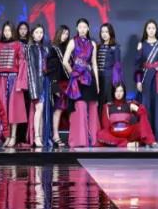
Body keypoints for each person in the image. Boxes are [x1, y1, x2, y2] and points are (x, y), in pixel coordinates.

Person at [0, 21, 29, 147]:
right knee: (3, 109)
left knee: (14, 110)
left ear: (12, 32)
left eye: (9, 30)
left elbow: (22, 64)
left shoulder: (18, 45)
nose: (7, 33)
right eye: (5, 30)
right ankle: (6, 136)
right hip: (1, 80)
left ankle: (13, 136)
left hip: (14, 79)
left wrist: (20, 82)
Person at [64, 18, 100, 148]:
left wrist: (97, 84)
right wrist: (73, 73)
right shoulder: (72, 42)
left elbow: (94, 64)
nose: (82, 29)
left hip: (90, 80)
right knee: (80, 109)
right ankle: (79, 141)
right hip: (77, 81)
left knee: (93, 109)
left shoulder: (92, 43)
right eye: (80, 27)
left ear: (88, 28)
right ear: (77, 28)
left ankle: (94, 140)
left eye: (85, 27)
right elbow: (65, 61)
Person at [135, 19, 158, 143]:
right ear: (146, 30)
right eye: (149, 28)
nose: (151, 30)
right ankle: (148, 137)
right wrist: (138, 80)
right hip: (146, 79)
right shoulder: (141, 45)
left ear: (156, 30)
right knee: (147, 108)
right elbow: (137, 65)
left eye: (153, 28)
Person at [97, 83, 157, 148]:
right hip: (114, 134)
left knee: (141, 126)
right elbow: (106, 126)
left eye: (121, 91)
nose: (118, 93)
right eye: (116, 91)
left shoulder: (129, 104)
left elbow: (142, 112)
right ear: (113, 92)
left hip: (128, 133)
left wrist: (141, 109)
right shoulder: (108, 106)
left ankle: (150, 141)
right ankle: (126, 143)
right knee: (101, 134)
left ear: (124, 92)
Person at [25, 23, 53, 149]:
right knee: (39, 109)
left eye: (41, 32)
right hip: (36, 82)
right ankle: (36, 136)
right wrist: (34, 88)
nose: (39, 35)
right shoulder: (30, 48)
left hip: (45, 81)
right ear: (32, 34)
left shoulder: (45, 49)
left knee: (42, 110)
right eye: (37, 32)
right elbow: (31, 69)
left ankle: (41, 136)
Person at [48, 25, 71, 147]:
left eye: (67, 34)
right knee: (58, 109)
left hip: (68, 83)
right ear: (58, 33)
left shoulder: (68, 48)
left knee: (68, 110)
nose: (65, 36)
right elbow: (51, 69)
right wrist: (55, 86)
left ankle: (72, 137)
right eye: (63, 33)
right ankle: (55, 135)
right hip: (58, 83)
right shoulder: (53, 48)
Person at [96, 23, 123, 107]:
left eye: (106, 32)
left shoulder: (115, 47)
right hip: (98, 77)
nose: (104, 34)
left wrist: (116, 80)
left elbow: (117, 65)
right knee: (99, 100)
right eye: (102, 32)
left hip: (109, 78)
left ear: (111, 33)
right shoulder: (98, 46)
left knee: (108, 100)